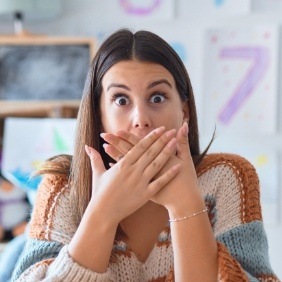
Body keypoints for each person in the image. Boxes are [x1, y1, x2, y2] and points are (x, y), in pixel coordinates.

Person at [12, 29, 279, 282]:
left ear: (183, 111)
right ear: (99, 115)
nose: (141, 119)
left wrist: (186, 206)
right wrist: (102, 213)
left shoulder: (226, 177)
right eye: (121, 100)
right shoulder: (62, 189)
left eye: (158, 97)